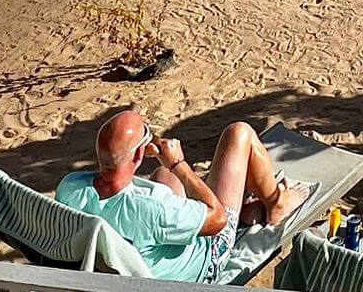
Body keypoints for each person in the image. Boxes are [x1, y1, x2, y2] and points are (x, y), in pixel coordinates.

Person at [56, 109, 310, 282]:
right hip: (206, 257)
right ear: (137, 155)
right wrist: (179, 164)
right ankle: (276, 202)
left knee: (162, 175)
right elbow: (217, 219)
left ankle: (242, 199)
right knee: (239, 134)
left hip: (138, 264)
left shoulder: (71, 188)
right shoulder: (152, 210)